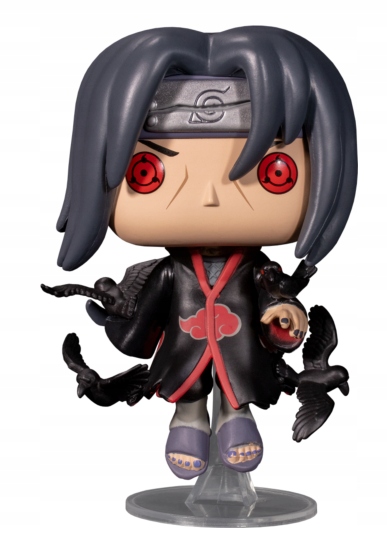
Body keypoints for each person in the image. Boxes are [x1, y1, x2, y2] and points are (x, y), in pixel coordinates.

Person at [46, 26, 357, 480]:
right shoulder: (172, 271)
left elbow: (274, 293)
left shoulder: (257, 269)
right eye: (148, 171)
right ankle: (188, 416)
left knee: (238, 386)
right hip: (184, 347)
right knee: (187, 386)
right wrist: (122, 317)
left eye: (274, 172)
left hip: (242, 350)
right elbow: (147, 307)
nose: (210, 197)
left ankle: (236, 414)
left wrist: (286, 313)